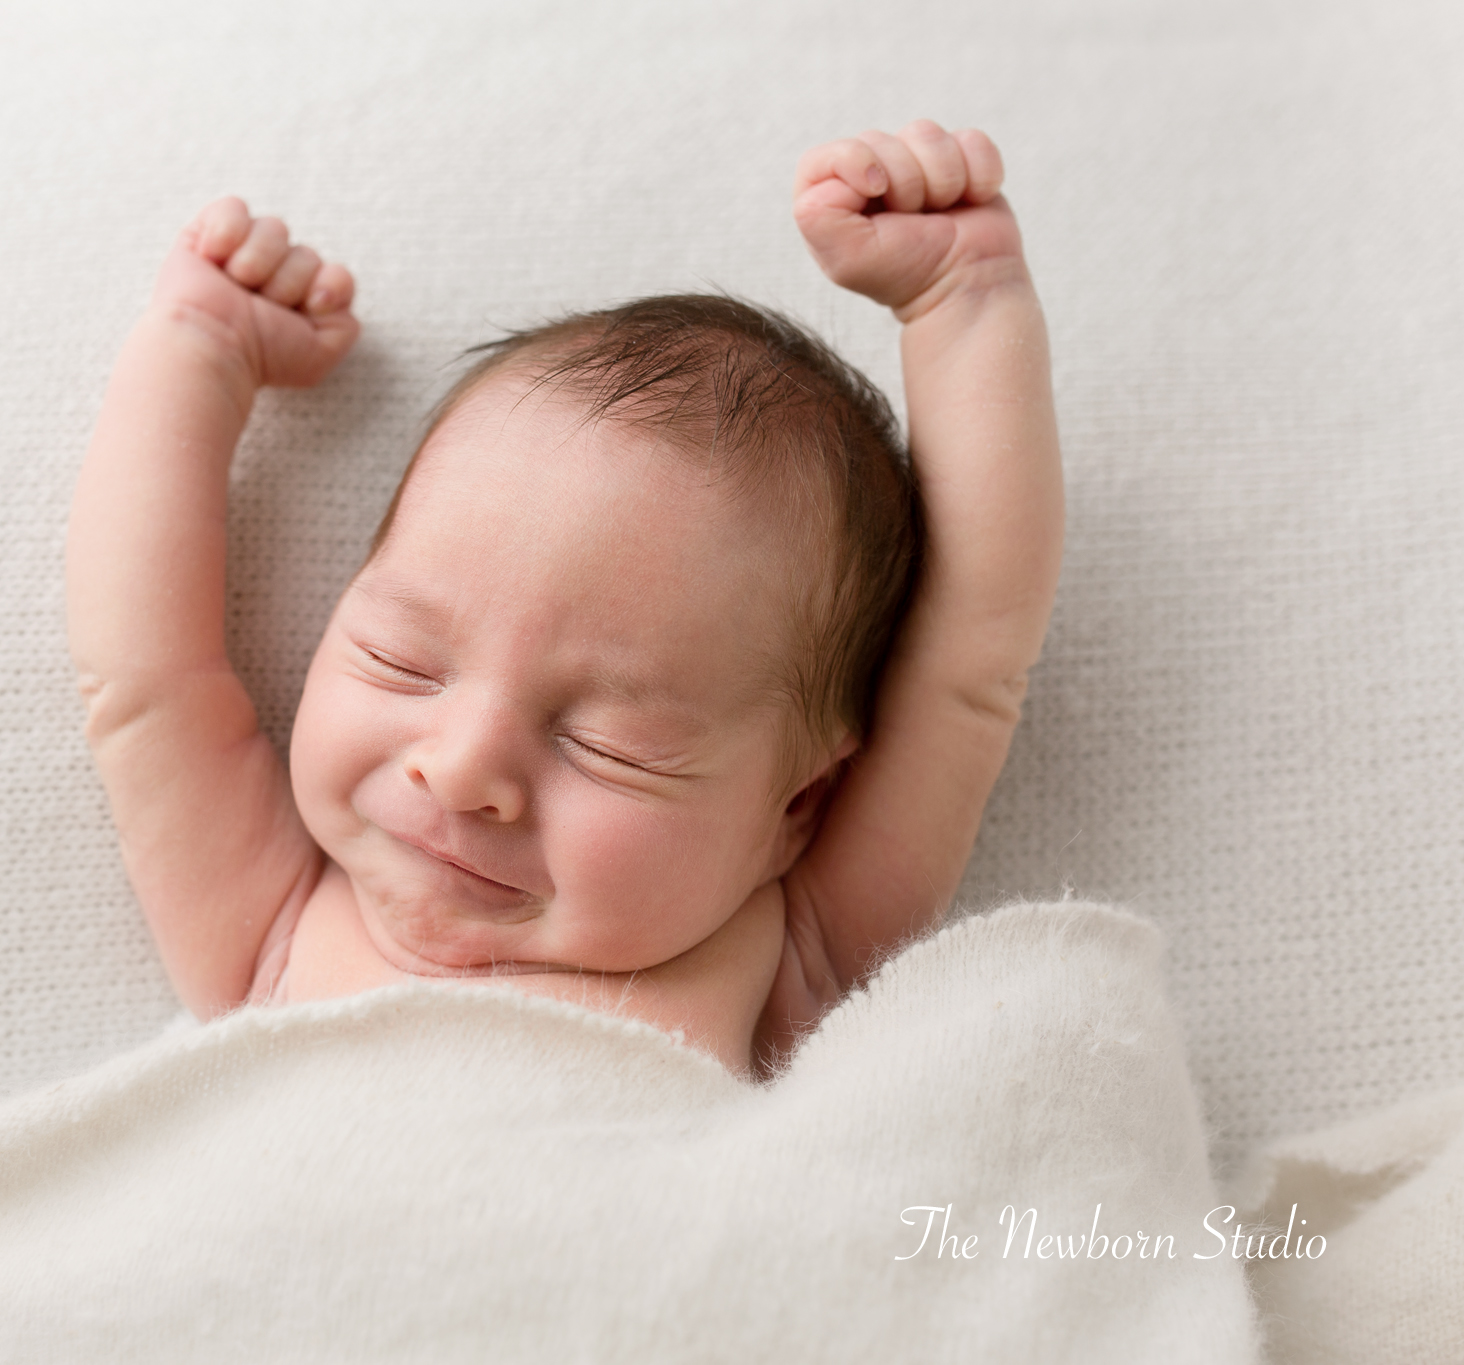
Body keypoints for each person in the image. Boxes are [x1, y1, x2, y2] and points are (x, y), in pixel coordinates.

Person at [66, 120, 1063, 1078]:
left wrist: (964, 301)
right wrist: (196, 347)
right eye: (400, 660)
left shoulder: (786, 961)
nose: (460, 772)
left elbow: (966, 666)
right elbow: (146, 678)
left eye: (607, 745)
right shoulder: (272, 927)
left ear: (794, 806)